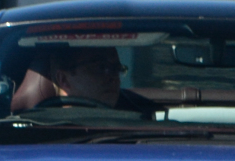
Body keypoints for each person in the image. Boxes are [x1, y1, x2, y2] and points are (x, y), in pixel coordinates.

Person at [9, 47, 153, 115]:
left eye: (116, 68)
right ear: (64, 79)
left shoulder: (141, 128)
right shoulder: (30, 135)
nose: (113, 76)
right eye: (100, 67)